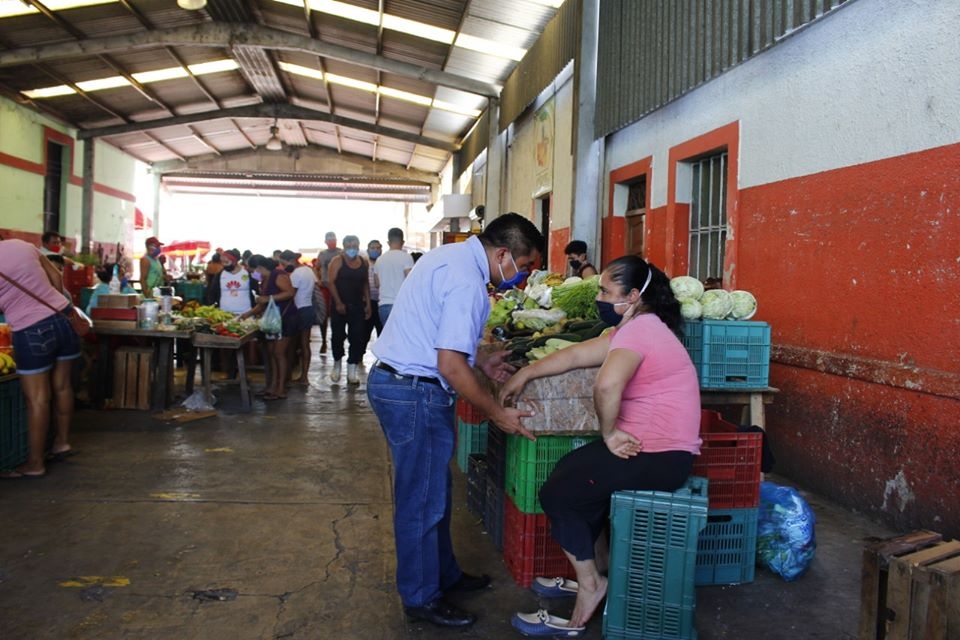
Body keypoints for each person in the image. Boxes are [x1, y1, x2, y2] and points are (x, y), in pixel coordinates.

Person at [498, 255, 701, 634]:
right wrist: (526, 371)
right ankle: (595, 571)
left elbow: (606, 385)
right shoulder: (638, 327)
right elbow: (576, 354)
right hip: (654, 448)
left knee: (559, 493)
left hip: (659, 453)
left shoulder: (642, 330)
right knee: (571, 474)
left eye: (607, 292)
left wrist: (608, 434)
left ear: (634, 295)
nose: (601, 299)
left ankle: (592, 585)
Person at [366, 212, 543, 628]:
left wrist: (480, 357)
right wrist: (496, 411)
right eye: (526, 265)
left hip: (400, 383)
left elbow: (438, 334)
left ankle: (442, 574)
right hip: (414, 393)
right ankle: (421, 597)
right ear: (503, 254)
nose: (525, 275)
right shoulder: (467, 283)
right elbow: (449, 365)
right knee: (422, 499)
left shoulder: (448, 257)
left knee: (434, 491)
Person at [0, 239, 81, 478]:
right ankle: (62, 442)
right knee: (63, 386)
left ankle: (35, 463)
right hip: (64, 318)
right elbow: (56, 277)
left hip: (31, 329)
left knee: (37, 398)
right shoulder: (22, 245)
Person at [239, 255, 298, 400]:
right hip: (273, 321)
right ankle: (272, 386)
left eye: (252, 270)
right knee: (272, 353)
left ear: (259, 268)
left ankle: (281, 389)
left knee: (279, 353)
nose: (252, 274)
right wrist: (247, 314)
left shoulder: (278, 275)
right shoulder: (264, 280)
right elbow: (262, 304)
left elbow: (290, 293)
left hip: (286, 319)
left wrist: (269, 298)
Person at [326, 235, 371, 385]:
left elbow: (365, 284)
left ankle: (351, 369)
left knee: (357, 337)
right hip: (340, 306)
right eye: (349, 245)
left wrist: (368, 304)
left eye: (355, 245)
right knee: (338, 336)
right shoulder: (337, 261)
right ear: (344, 247)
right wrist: (338, 302)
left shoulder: (363, 262)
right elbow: (331, 283)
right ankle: (337, 363)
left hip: (357, 305)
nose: (352, 248)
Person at [280, 250, 317, 385]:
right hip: (308, 308)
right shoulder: (308, 270)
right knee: (305, 344)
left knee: (291, 345)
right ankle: (304, 377)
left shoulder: (296, 274)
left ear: (290, 261)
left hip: (297, 310)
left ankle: (288, 376)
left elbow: (291, 294)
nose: (283, 266)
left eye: (284, 263)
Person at [373, 227, 414, 327]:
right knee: (401, 338)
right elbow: (410, 280)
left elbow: (377, 284)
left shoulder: (379, 259)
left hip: (384, 305)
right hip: (401, 305)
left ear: (388, 242)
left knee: (388, 338)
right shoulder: (406, 257)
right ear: (402, 242)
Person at [314, 232, 340, 354]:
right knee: (323, 314)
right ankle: (324, 341)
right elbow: (316, 267)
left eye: (333, 239)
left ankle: (337, 338)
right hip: (325, 286)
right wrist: (318, 280)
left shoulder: (341, 253)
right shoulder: (322, 254)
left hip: (338, 287)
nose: (331, 242)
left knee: (338, 314)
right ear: (325, 241)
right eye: (329, 240)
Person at [365, 239, 383, 340]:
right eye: (372, 248)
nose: (375, 250)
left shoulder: (384, 263)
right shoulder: (364, 264)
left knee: (382, 333)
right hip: (369, 302)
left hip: (381, 301)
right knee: (364, 334)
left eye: (378, 248)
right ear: (368, 250)